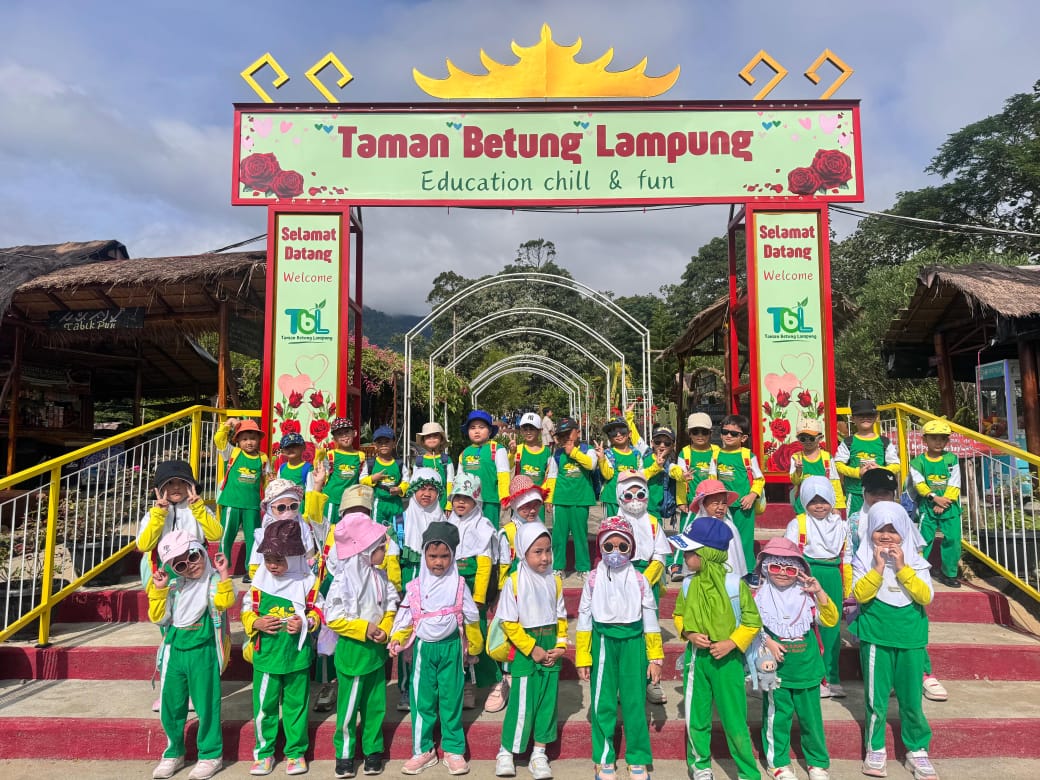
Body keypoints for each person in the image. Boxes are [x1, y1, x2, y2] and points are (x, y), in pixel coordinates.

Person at [851, 503, 939, 780]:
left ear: (904, 532)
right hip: (876, 636)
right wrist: (878, 568)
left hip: (911, 637)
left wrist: (901, 568)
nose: (887, 536)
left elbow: (925, 596)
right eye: (880, 529)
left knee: (911, 699)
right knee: (875, 699)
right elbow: (860, 594)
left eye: (893, 530)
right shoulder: (863, 559)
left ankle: (917, 749)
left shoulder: (917, 561)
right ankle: (875, 747)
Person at [389, 522, 485, 776]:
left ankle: (453, 748)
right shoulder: (416, 587)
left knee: (451, 699)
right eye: (433, 556)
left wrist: (474, 645)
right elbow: (406, 617)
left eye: (444, 556)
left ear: (453, 556)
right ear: (424, 555)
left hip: (451, 649)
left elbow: (471, 616)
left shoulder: (459, 585)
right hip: (424, 651)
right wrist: (397, 638)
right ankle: (423, 749)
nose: (438, 562)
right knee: (422, 701)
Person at [669, 516, 762, 780]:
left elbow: (752, 621)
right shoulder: (688, 583)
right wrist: (689, 634)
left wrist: (731, 642)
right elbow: (678, 614)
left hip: (728, 662)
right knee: (697, 716)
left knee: (734, 719)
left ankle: (747, 772)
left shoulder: (735, 585)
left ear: (707, 554)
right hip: (697, 660)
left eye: (690, 551)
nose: (685, 556)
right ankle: (700, 766)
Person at [575, 515, 664, 780]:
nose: (615, 552)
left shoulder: (640, 580)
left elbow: (650, 618)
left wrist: (655, 657)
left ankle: (637, 756)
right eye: (609, 546)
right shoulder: (593, 579)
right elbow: (584, 617)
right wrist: (583, 656)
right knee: (603, 701)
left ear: (631, 549)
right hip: (603, 641)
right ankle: (604, 757)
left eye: (622, 546)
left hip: (633, 643)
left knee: (635, 700)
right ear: (601, 547)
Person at [147, 531, 235, 780]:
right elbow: (158, 617)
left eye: (193, 556)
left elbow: (226, 602)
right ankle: (173, 752)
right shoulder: (175, 587)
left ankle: (210, 755)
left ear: (202, 550)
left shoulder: (214, 581)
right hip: (175, 650)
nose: (190, 566)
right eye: (180, 565)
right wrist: (159, 590)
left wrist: (224, 574)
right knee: (171, 705)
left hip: (203, 650)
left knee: (207, 705)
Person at [241, 521, 322, 777]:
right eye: (268, 559)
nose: (272, 565)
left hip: (296, 657)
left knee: (296, 706)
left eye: (279, 559)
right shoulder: (259, 585)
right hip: (267, 657)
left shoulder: (308, 583)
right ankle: (264, 752)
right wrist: (256, 622)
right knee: (264, 707)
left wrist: (306, 623)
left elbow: (318, 611)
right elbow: (246, 611)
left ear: (295, 557)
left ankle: (295, 751)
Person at [753, 537, 837, 780]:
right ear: (765, 568)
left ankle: (817, 762)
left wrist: (819, 591)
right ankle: (778, 763)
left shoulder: (807, 597)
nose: (782, 573)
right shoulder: (758, 597)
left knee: (812, 719)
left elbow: (830, 620)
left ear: (799, 572)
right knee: (777, 717)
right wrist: (767, 641)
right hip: (776, 669)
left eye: (790, 569)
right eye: (775, 567)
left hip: (807, 666)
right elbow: (750, 627)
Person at [325, 512, 399, 779]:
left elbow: (391, 604)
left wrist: (386, 628)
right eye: (380, 547)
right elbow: (333, 617)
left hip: (375, 654)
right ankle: (344, 754)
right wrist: (364, 628)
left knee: (375, 705)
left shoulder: (380, 576)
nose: (384, 551)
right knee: (348, 708)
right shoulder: (343, 581)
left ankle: (373, 750)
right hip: (353, 654)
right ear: (365, 550)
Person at [494, 521, 567, 780]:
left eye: (548, 550)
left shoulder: (555, 580)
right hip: (525, 649)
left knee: (547, 701)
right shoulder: (514, 582)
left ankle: (539, 752)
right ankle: (506, 751)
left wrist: (560, 645)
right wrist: (531, 648)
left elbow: (561, 617)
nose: (545, 557)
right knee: (522, 701)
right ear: (523, 552)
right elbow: (509, 623)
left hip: (550, 645)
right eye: (538, 551)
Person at [784, 476, 852, 699]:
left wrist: (848, 585)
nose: (819, 506)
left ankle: (832, 677)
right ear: (804, 501)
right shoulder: (798, 523)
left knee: (832, 627)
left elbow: (848, 555)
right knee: (808, 625)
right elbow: (790, 553)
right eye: (813, 501)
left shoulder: (841, 525)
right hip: (807, 574)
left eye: (824, 500)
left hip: (833, 574)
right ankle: (814, 676)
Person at [614, 471, 671, 706]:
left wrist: (645, 580)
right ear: (620, 496)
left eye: (640, 494)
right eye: (628, 495)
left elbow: (660, 554)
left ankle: (651, 680)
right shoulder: (615, 523)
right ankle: (623, 682)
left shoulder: (653, 522)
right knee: (625, 630)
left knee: (649, 629)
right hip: (621, 577)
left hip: (649, 577)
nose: (635, 500)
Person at [446, 472, 502, 712]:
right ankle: (467, 683)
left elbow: (485, 564)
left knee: (477, 635)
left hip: (472, 589)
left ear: (476, 500)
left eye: (467, 498)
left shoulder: (482, 526)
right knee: (458, 637)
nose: (461, 502)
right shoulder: (449, 523)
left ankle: (495, 681)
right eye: (457, 497)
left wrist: (479, 597)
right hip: (452, 587)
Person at [137, 460, 222, 582]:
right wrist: (159, 515)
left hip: (196, 564)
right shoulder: (153, 515)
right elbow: (144, 545)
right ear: (160, 488)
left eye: (182, 482)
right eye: (170, 483)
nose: (176, 487)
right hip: (166, 570)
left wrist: (198, 509)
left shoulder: (200, 509)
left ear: (191, 485)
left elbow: (216, 535)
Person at [909, 419, 963, 588]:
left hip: (950, 507)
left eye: (943, 438)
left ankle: (949, 574)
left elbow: (955, 483)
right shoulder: (917, 462)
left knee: (953, 540)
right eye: (934, 438)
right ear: (924, 440)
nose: (938, 442)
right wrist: (934, 498)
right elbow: (919, 484)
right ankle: (917, 572)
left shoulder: (951, 459)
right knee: (923, 541)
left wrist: (944, 502)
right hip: (928, 508)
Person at [669, 479, 748, 591]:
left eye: (724, 503)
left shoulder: (729, 528)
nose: (721, 507)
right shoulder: (696, 528)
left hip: (726, 581)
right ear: (702, 504)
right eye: (715, 503)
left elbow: (734, 559)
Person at [213, 418, 268, 575]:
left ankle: (252, 570)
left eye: (253, 438)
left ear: (259, 439)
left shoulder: (263, 458)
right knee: (226, 537)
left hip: (252, 505)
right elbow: (219, 439)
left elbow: (268, 481)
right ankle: (222, 568)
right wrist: (228, 423)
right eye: (244, 439)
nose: (249, 442)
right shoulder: (232, 452)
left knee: (253, 538)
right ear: (237, 440)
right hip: (232, 503)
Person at [548, 416, 597, 578]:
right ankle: (558, 567)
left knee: (580, 535)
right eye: (562, 435)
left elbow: (591, 465)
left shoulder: (587, 450)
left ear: (578, 432)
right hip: (561, 500)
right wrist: (549, 499)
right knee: (559, 536)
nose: (566, 437)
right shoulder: (557, 454)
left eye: (569, 433)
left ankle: (583, 568)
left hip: (581, 500)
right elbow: (552, 477)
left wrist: (574, 452)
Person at [713, 413, 764, 568]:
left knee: (744, 539)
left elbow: (759, 479)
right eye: (725, 432)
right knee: (723, 536)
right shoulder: (716, 454)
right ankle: (726, 568)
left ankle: (748, 570)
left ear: (743, 438)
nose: (728, 436)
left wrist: (752, 495)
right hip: (723, 506)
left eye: (734, 433)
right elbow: (712, 478)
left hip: (744, 505)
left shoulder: (748, 455)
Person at [835, 399, 900, 517]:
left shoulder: (884, 442)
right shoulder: (848, 442)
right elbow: (838, 464)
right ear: (853, 419)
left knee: (881, 521)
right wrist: (857, 473)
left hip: (880, 493)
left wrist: (880, 469)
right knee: (854, 523)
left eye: (869, 415)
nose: (865, 418)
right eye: (860, 415)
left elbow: (896, 465)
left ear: (876, 417)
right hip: (855, 493)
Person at [458, 409, 511, 529]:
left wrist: (504, 497)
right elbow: (460, 479)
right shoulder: (465, 452)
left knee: (489, 532)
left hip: (490, 500)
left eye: (481, 427)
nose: (477, 431)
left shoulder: (498, 449)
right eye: (472, 428)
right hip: (468, 501)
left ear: (490, 431)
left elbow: (503, 475)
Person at [595, 407, 650, 519]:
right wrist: (601, 459)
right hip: (611, 499)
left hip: (632, 499)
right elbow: (608, 475)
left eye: (622, 430)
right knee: (612, 527)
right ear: (609, 438)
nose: (618, 434)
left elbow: (641, 475)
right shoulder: (608, 453)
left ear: (629, 433)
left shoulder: (636, 454)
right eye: (613, 433)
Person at [318, 417, 368, 529]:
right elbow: (321, 477)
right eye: (339, 434)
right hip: (332, 500)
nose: (344, 436)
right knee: (329, 531)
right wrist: (318, 459)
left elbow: (362, 479)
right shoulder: (331, 455)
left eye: (347, 432)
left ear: (354, 433)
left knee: (349, 533)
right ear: (334, 438)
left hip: (351, 502)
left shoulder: (360, 456)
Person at [789, 418, 845, 515]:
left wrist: (837, 506)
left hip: (824, 506)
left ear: (820, 437)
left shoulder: (827, 458)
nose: (808, 442)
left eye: (811, 438)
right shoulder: (796, 457)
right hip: (802, 506)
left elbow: (835, 482)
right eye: (803, 439)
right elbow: (795, 481)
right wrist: (798, 471)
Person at [509, 411, 558, 518]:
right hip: (520, 499)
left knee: (537, 526)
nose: (528, 432)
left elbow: (550, 477)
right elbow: (508, 467)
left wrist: (548, 499)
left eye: (532, 429)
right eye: (525, 429)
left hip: (537, 500)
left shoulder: (546, 452)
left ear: (540, 431)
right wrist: (512, 453)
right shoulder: (518, 449)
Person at [362, 425, 410, 529]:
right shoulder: (371, 463)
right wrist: (373, 479)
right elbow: (361, 480)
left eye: (387, 441)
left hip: (396, 504)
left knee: (398, 530)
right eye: (380, 442)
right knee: (377, 531)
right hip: (378, 503)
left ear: (394, 443)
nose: (383, 445)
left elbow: (406, 481)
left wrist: (400, 489)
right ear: (375, 445)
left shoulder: (399, 464)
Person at [675, 412, 719, 522]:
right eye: (695, 432)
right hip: (691, 503)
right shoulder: (685, 453)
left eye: (704, 432)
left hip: (712, 502)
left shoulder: (717, 451)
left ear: (710, 433)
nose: (700, 436)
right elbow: (680, 479)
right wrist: (681, 501)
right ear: (689, 434)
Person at [640, 425, 683, 530]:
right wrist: (656, 466)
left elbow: (675, 471)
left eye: (667, 443)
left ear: (673, 445)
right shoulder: (645, 458)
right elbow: (641, 476)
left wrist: (683, 476)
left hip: (657, 511)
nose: (662, 445)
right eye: (658, 441)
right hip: (641, 509)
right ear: (652, 443)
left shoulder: (670, 463)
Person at [415, 422, 455, 512]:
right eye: (428, 436)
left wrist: (449, 504)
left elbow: (450, 483)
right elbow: (414, 484)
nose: (432, 438)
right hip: (423, 506)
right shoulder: (419, 461)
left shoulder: (446, 460)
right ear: (423, 441)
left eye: (435, 435)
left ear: (441, 440)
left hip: (442, 505)